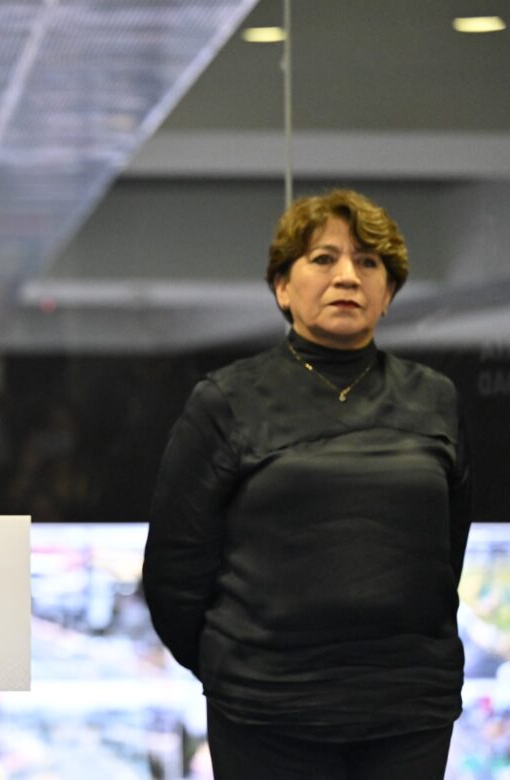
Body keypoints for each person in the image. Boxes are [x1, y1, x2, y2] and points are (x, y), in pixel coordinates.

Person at [142, 189, 471, 779]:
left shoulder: (434, 398)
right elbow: (174, 571)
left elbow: (447, 552)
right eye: (323, 258)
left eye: (368, 263)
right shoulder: (227, 400)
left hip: (409, 710)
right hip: (266, 712)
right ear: (282, 286)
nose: (348, 275)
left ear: (389, 293)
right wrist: (234, 667)